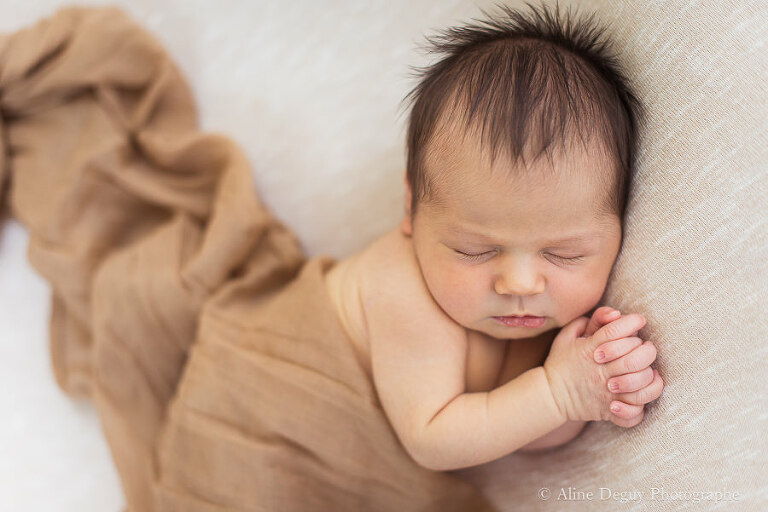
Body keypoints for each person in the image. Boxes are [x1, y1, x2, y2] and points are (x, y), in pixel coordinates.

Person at [324, 1, 665, 471]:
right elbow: (434, 440)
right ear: (411, 208)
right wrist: (557, 392)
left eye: (565, 254)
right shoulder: (403, 287)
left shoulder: (533, 323)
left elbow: (519, 435)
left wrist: (598, 384)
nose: (520, 284)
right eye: (475, 250)